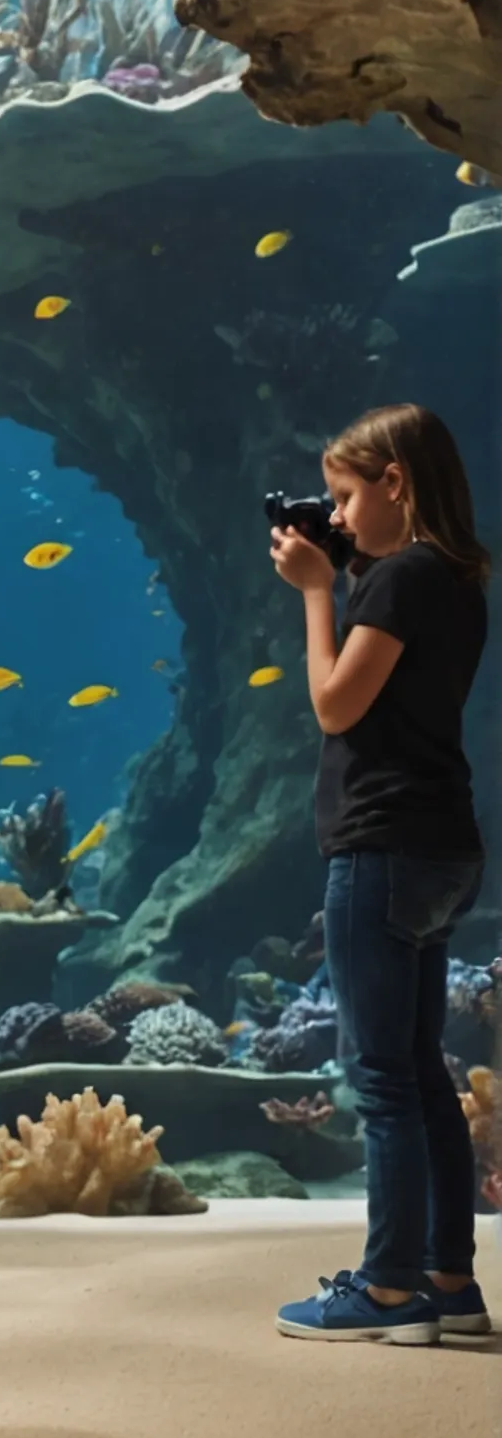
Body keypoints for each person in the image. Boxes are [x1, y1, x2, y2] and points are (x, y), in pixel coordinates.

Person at [268, 402, 489, 1344]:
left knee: (383, 1079)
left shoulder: (394, 581)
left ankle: (390, 1288)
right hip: (442, 847)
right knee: (425, 1075)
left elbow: (334, 704)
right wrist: (342, 565)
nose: (337, 514)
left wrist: (320, 590)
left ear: (395, 482)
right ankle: (450, 1277)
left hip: (382, 847)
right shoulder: (452, 576)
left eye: (346, 495)